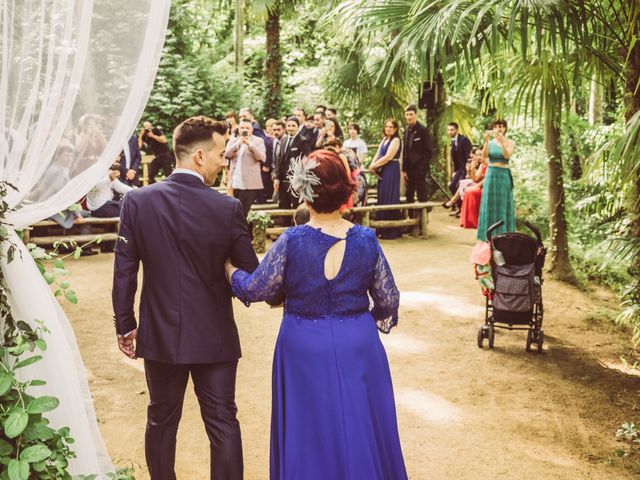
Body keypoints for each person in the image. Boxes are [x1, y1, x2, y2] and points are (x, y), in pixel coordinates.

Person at [225, 149, 407, 480]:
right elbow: (389, 298)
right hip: (358, 342)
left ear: (304, 192)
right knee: (361, 423)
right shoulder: (366, 239)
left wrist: (229, 271)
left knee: (308, 428)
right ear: (344, 190)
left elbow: (256, 289)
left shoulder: (292, 241)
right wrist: (369, 319)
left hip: (303, 344)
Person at [112, 116, 259, 480]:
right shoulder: (227, 208)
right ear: (198, 157)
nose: (222, 162)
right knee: (223, 422)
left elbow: (124, 271)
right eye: (219, 155)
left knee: (160, 419)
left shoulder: (137, 203)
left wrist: (126, 325)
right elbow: (250, 271)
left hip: (160, 334)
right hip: (215, 335)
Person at [477, 119, 516, 241]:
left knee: (503, 203)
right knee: (489, 202)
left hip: (503, 174)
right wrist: (487, 142)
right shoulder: (490, 142)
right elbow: (483, 157)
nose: (499, 129)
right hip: (491, 174)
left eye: (501, 126)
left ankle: (504, 234)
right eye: (496, 127)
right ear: (493, 129)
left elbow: (507, 155)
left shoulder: (510, 142)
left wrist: (502, 142)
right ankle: (487, 234)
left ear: (505, 129)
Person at [225, 118, 267, 216]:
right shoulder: (233, 140)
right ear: (238, 129)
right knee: (235, 210)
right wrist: (237, 144)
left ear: (252, 129)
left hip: (250, 183)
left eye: (247, 128)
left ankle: (245, 230)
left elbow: (262, 158)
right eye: (242, 127)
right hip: (235, 181)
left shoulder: (258, 140)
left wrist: (250, 145)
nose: (245, 130)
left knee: (245, 211)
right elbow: (227, 154)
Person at [369, 119, 402, 239]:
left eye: (391, 127)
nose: (388, 129)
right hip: (383, 169)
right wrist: (372, 165)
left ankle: (391, 230)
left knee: (390, 196)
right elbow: (378, 154)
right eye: (387, 126)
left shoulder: (396, 140)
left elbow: (388, 156)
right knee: (382, 196)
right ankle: (381, 229)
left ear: (395, 129)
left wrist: (375, 165)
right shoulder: (384, 139)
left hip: (391, 169)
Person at [273, 116, 311, 210]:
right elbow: (279, 160)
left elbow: (305, 162)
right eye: (288, 126)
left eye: (293, 126)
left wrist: (299, 181)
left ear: (298, 127)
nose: (290, 128)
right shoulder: (283, 140)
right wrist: (276, 178)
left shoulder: (303, 141)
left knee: (297, 207)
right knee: (283, 206)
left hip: (296, 182)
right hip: (283, 181)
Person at [402, 105, 431, 203]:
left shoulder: (423, 130)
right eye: (407, 115)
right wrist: (404, 169)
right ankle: (411, 216)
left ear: (416, 115)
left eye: (411, 114)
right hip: (409, 168)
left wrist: (422, 168)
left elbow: (428, 151)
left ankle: (423, 218)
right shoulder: (406, 130)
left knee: (421, 194)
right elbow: (405, 151)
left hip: (420, 168)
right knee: (409, 194)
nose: (409, 117)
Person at [447, 122, 473, 210]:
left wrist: (468, 170)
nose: (449, 132)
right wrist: (455, 171)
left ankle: (463, 209)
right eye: (448, 130)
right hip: (460, 169)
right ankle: (460, 207)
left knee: (459, 186)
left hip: (466, 168)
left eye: (452, 130)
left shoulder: (464, 140)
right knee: (452, 185)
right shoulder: (453, 142)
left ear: (457, 130)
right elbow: (455, 160)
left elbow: (469, 156)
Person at [460, 148, 488, 229]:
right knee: (467, 191)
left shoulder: (489, 165)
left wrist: (476, 186)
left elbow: (486, 179)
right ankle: (467, 222)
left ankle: (474, 221)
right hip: (480, 186)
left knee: (470, 191)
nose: (479, 157)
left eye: (481, 155)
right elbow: (475, 178)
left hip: (486, 187)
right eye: (477, 155)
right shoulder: (482, 165)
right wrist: (471, 169)